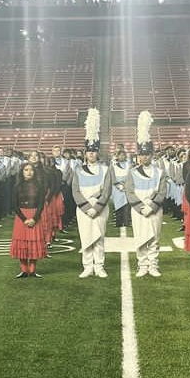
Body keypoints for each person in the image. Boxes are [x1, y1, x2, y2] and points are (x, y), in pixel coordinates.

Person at [125, 111, 167, 278]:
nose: (143, 157)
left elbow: (162, 191)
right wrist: (141, 206)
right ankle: (142, 264)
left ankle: (153, 265)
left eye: (146, 154)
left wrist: (153, 205)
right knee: (140, 237)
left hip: (155, 209)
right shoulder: (132, 172)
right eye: (141, 154)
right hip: (138, 210)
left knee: (155, 237)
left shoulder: (160, 171)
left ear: (152, 155)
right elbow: (129, 192)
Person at [72, 109, 113, 278]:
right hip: (83, 209)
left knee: (99, 237)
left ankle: (99, 265)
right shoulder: (78, 169)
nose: (91, 153)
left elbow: (107, 190)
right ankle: (87, 266)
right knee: (86, 237)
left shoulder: (105, 169)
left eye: (94, 151)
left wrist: (97, 206)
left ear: (97, 152)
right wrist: (86, 206)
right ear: (85, 152)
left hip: (100, 208)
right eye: (89, 151)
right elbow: (75, 190)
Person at [11, 162, 47, 278]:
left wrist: (34, 219)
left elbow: (41, 205)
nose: (29, 172)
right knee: (22, 242)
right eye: (26, 170)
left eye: (31, 170)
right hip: (21, 218)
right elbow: (14, 205)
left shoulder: (40, 186)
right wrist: (24, 219)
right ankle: (24, 270)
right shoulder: (16, 186)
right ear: (22, 172)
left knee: (33, 242)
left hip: (35, 215)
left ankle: (32, 270)